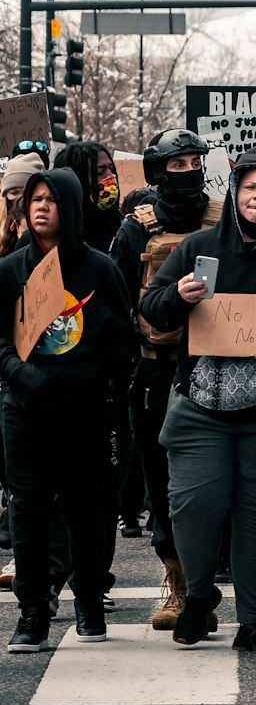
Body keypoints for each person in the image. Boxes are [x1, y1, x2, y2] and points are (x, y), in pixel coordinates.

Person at [141, 148, 256, 654]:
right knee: (195, 505)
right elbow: (153, 309)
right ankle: (199, 597)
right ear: (235, 191)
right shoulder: (198, 248)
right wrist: (178, 295)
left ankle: (253, 621)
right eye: (250, 188)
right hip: (203, 406)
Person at [1, 169, 134, 651]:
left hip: (84, 410)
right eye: (33, 199)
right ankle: (33, 612)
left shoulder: (99, 269)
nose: (40, 207)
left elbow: (123, 342)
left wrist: (88, 375)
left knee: (87, 509)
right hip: (26, 409)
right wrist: (19, 373)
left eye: (51, 200)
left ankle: (90, 604)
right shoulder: (12, 270)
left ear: (71, 208)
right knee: (29, 511)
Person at [110, 129, 222, 629]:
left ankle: (211, 576)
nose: (188, 172)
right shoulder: (135, 228)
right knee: (161, 479)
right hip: (155, 366)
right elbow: (115, 303)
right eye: (176, 165)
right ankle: (177, 584)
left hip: (219, 362)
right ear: (157, 170)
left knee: (218, 479)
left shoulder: (226, 218)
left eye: (195, 162)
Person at [53, 141, 121, 252]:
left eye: (111, 169)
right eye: (100, 171)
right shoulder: (53, 233)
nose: (110, 176)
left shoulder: (120, 227)